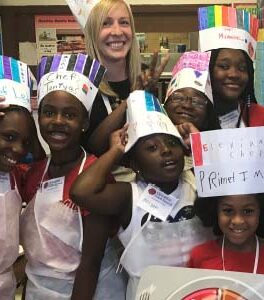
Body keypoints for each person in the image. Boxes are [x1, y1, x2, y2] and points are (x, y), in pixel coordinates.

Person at [70, 90, 212, 299]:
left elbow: (230, 181)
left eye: (173, 143)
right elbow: (81, 192)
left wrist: (199, 144)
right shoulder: (128, 196)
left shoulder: (198, 183)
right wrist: (116, 151)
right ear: (135, 164)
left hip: (201, 293)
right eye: (152, 148)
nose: (165, 150)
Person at [19, 54, 126, 300]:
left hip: (92, 291)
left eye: (69, 115)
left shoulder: (95, 176)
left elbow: (91, 262)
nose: (57, 122)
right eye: (48, 112)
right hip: (39, 290)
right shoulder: (35, 172)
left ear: (84, 122)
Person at [66, 0, 168, 156]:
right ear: (92, 32)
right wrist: (132, 99)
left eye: (124, 22)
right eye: (105, 23)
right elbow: (90, 148)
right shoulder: (79, 83)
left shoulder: (145, 75)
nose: (117, 31)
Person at [0, 56, 44, 299]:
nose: (18, 149)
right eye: (8, 137)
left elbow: (39, 161)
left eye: (24, 141)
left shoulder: (16, 175)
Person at [198, 5, 264, 129]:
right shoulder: (193, 118)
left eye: (242, 68)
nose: (234, 74)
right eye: (224, 66)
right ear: (208, 69)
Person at [189, 193, 264, 277]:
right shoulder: (199, 257)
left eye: (248, 211)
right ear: (215, 211)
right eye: (228, 210)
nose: (238, 221)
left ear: (262, 211)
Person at [164, 51, 220, 132]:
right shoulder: (150, 139)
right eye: (178, 97)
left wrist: (197, 140)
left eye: (197, 101)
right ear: (166, 104)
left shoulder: (216, 143)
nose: (187, 105)